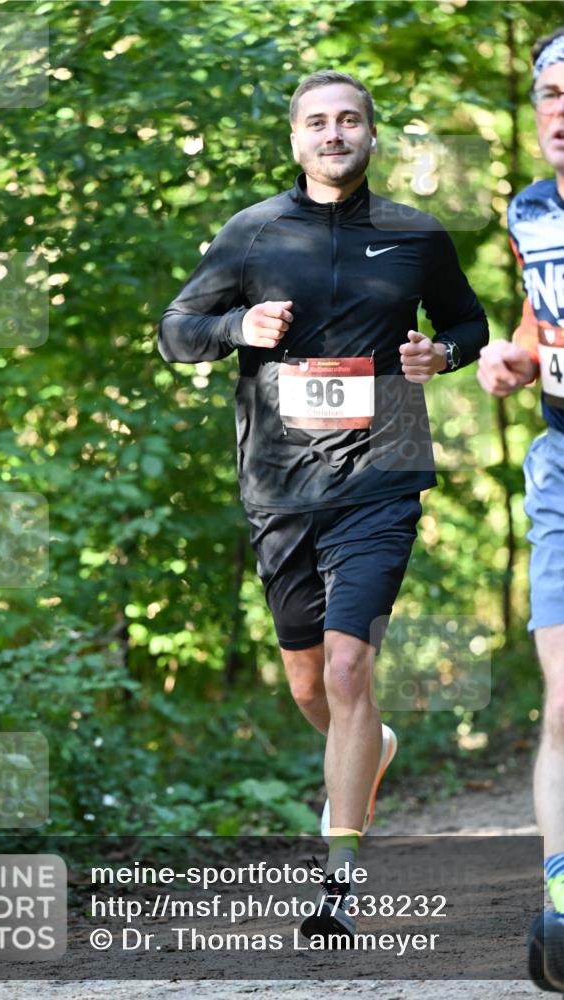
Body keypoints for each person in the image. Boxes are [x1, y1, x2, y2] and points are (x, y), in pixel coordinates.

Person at [159, 69, 488, 945]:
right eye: (316, 121)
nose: (333, 133)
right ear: (295, 138)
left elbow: (469, 325)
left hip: (380, 476)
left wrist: (438, 355)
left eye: (348, 120)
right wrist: (238, 329)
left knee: (349, 667)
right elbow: (174, 332)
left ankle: (337, 887)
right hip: (279, 486)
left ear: (372, 136)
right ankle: (365, 746)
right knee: (310, 676)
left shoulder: (415, 235)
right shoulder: (252, 233)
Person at [477, 27, 564, 993]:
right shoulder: (529, 209)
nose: (560, 110)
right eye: (549, 92)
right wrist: (513, 355)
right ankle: (560, 903)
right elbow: (538, 320)